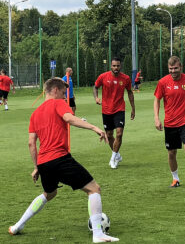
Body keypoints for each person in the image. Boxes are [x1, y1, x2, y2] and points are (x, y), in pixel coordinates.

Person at [8, 78, 119, 243]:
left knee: (49, 193)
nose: (64, 96)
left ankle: (17, 226)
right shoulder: (58, 103)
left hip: (45, 162)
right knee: (94, 189)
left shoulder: (35, 114)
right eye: (62, 92)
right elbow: (69, 118)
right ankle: (98, 234)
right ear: (54, 90)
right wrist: (94, 127)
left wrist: (37, 166)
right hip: (60, 158)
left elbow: (31, 143)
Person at [154, 56, 185, 194]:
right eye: (171, 69)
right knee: (172, 153)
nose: (173, 71)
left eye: (175, 68)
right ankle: (175, 179)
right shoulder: (163, 82)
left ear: (180, 67)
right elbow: (157, 100)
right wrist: (156, 118)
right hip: (170, 123)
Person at [93, 57, 135, 169]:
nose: (116, 68)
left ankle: (112, 159)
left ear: (120, 66)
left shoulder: (125, 78)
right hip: (106, 110)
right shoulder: (103, 76)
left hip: (119, 109)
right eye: (114, 66)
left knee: (119, 133)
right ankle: (117, 155)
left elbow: (130, 92)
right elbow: (95, 87)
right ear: (111, 66)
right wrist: (96, 98)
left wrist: (133, 108)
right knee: (109, 135)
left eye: (118, 66)